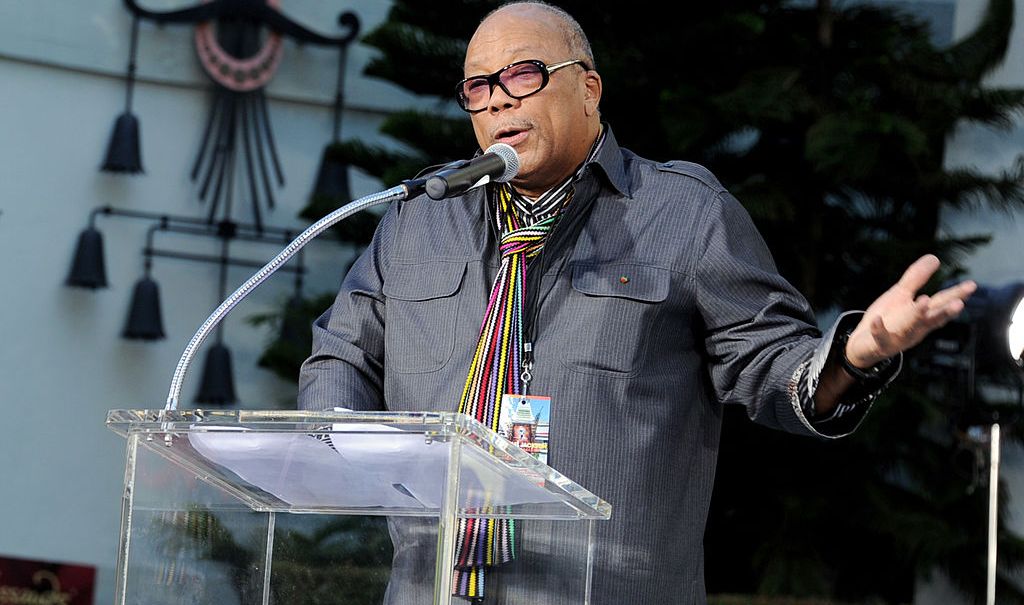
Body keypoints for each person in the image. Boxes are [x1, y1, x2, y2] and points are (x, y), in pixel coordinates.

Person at [298, 2, 976, 603]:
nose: (499, 100)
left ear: (588, 88)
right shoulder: (419, 219)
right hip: (430, 588)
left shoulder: (683, 212)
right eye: (479, 86)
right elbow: (342, 352)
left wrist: (854, 353)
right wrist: (335, 446)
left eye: (523, 75)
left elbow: (768, 363)